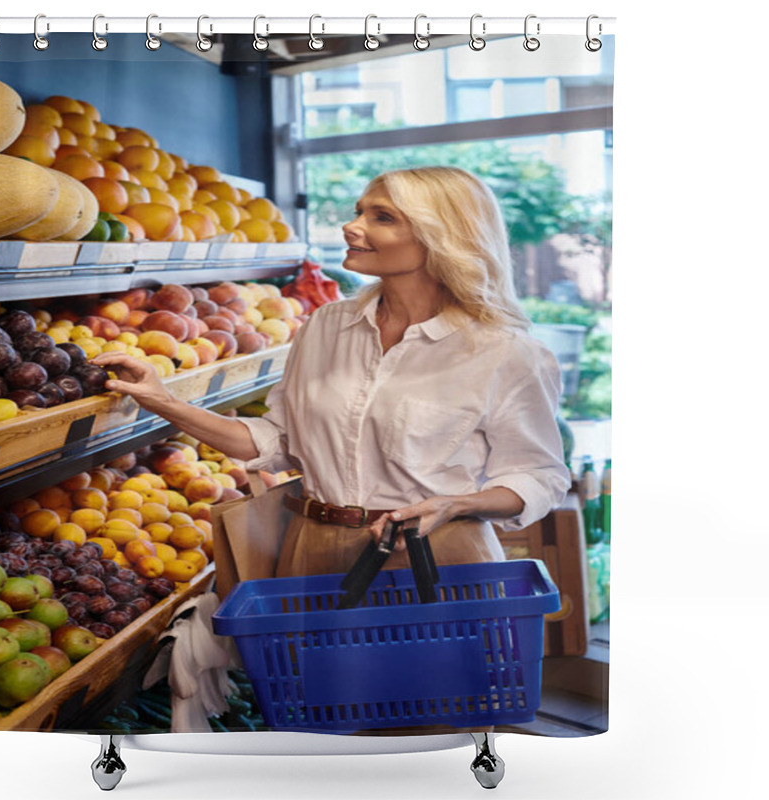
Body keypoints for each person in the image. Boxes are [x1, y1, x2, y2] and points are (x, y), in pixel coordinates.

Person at [93, 166, 570, 579]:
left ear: (440, 236)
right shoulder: (327, 326)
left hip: (436, 555)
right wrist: (163, 400)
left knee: (434, 687)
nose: (351, 226)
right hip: (312, 549)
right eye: (359, 211)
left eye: (381, 217)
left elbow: (538, 476)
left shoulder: (504, 353)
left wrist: (456, 504)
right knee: (311, 686)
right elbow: (276, 442)